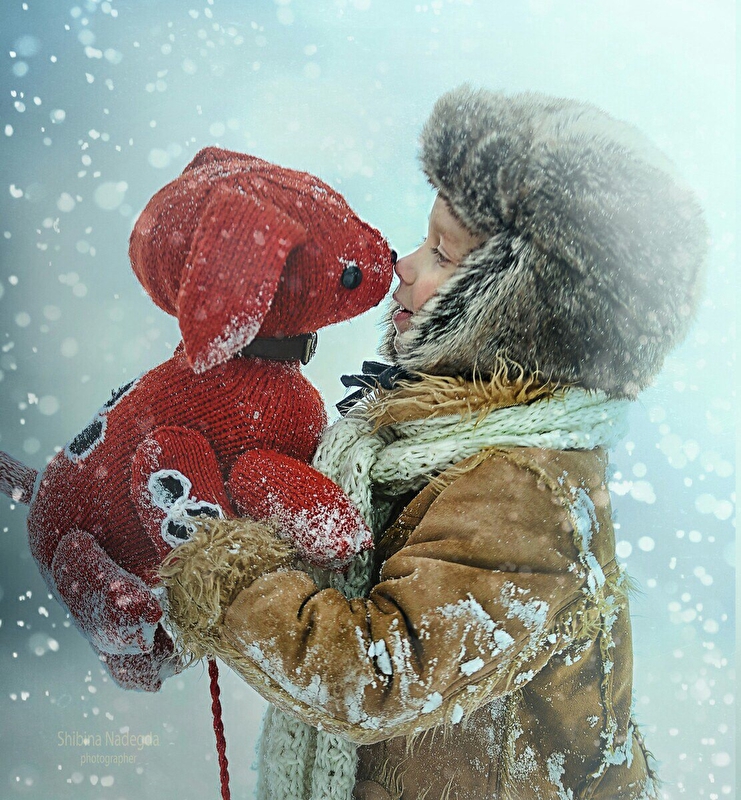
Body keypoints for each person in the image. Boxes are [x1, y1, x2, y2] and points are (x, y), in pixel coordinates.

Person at [161, 85, 707, 799]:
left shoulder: (520, 491)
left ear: (518, 317)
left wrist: (225, 570)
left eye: (443, 255)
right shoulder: (437, 439)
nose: (406, 265)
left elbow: (375, 678)